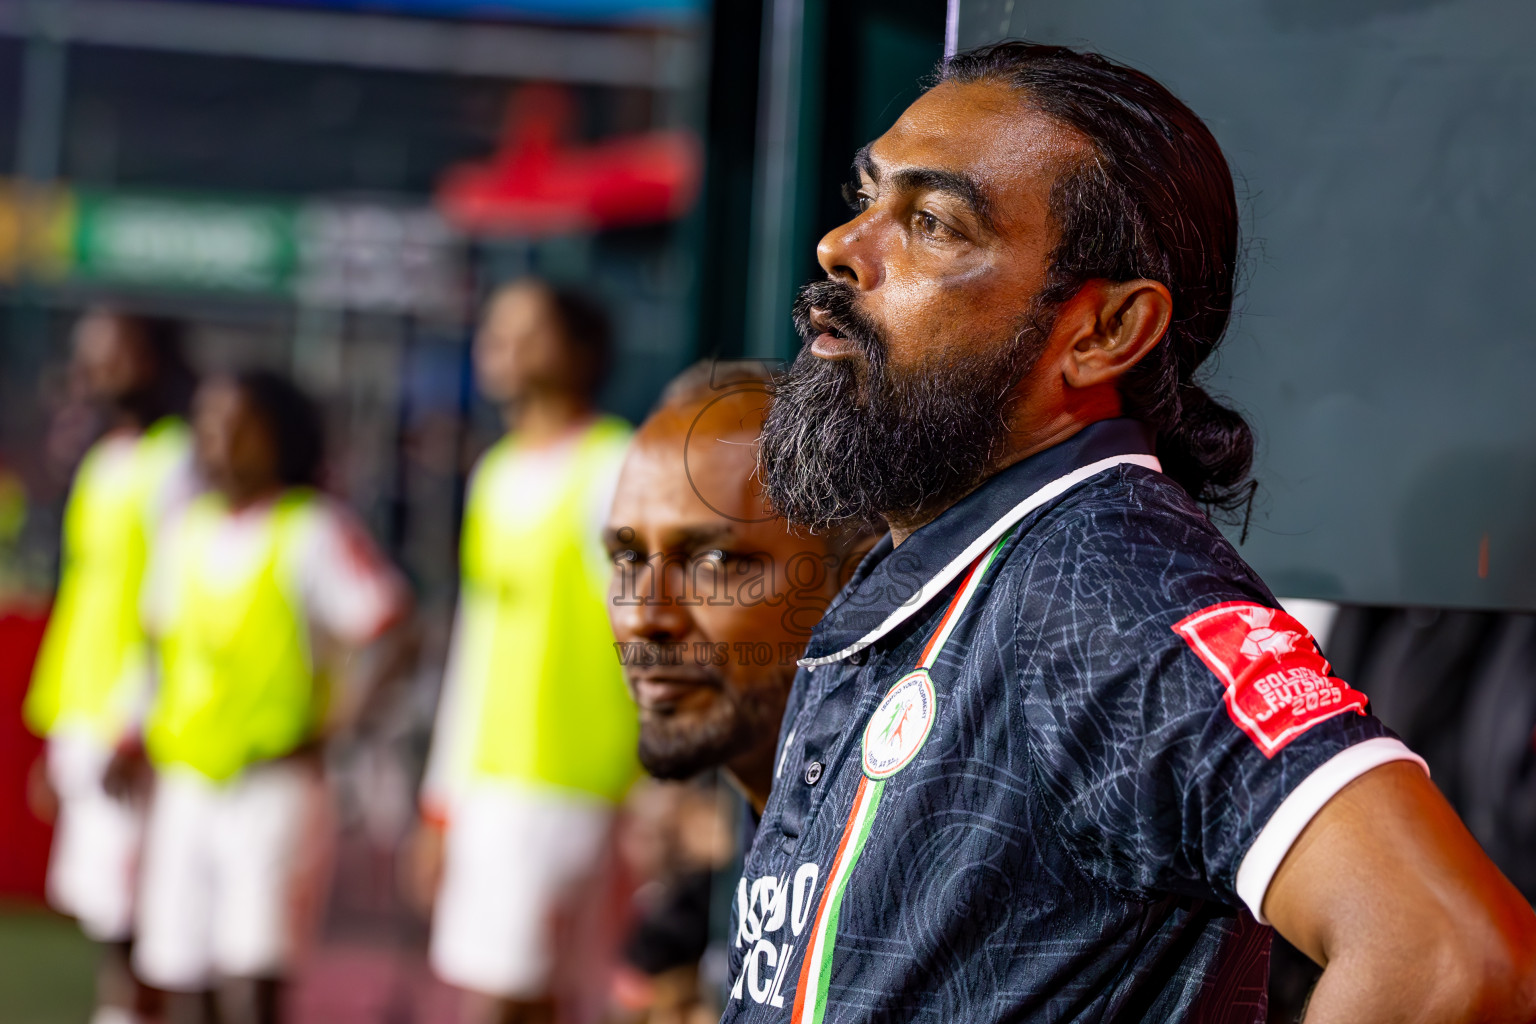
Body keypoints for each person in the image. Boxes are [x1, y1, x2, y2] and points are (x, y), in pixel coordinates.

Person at [732, 42, 1536, 1022]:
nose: (841, 245)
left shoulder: (1102, 581)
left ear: (1105, 331)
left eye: (932, 222)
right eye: (867, 196)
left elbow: (1449, 957)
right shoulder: (967, 557)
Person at [128, 370, 408, 1024]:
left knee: (254, 977)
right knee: (184, 974)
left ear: (280, 434)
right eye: (210, 422)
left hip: (273, 783)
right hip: (188, 776)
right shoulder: (185, 529)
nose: (221, 439)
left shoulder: (312, 529)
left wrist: (344, 720)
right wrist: (138, 732)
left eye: (240, 423)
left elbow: (394, 628)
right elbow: (155, 643)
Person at [603, 362, 869, 1020]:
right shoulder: (778, 806)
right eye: (627, 559)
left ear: (858, 581)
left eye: (713, 562)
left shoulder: (912, 858)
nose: (643, 616)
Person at [415, 279, 639, 1024]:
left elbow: (648, 624)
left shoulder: (612, 465)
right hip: (490, 780)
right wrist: (441, 802)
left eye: (526, 328)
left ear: (580, 354)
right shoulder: (494, 473)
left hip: (570, 778)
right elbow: (475, 645)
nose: (500, 342)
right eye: (494, 326)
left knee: (507, 998)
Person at [23, 307, 196, 1024]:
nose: (96, 367)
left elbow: (180, 603)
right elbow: (83, 598)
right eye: (87, 353)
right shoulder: (102, 460)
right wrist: (56, 721)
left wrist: (139, 721)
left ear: (153, 359)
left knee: (141, 915)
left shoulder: (178, 459)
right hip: (86, 711)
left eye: (113, 352)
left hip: (136, 718)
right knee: (106, 908)